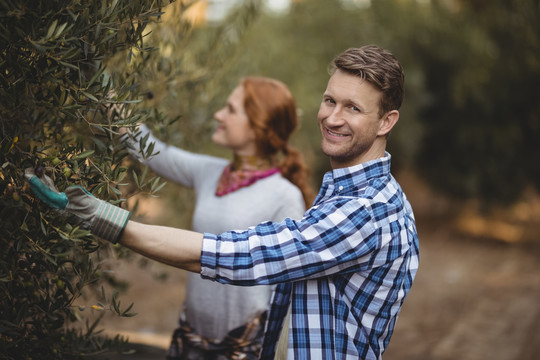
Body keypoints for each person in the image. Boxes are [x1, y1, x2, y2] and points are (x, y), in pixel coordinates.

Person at [26, 45, 420, 359]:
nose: (333, 117)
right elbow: (149, 150)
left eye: (353, 107)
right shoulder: (350, 194)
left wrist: (103, 218)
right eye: (330, 100)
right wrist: (103, 94)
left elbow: (239, 254)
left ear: (386, 122)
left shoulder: (364, 211)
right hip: (196, 336)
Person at [121, 76, 314, 359]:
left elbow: (287, 290)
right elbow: (149, 150)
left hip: (243, 348)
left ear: (257, 127)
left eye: (231, 110)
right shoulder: (209, 172)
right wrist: (109, 98)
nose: (218, 115)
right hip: (191, 340)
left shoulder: (284, 196)